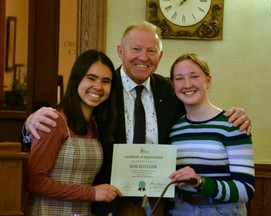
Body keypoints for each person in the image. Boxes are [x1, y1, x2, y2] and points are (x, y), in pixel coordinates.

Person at [21, 21, 252, 216]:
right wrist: (29, 124)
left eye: (151, 51)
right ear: (121, 51)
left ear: (160, 56)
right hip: (106, 203)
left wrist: (236, 115)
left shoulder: (170, 91)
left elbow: (199, 112)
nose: (144, 57)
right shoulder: (103, 88)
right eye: (136, 49)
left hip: (159, 202)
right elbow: (66, 122)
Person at [23, 50, 121, 216]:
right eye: (91, 78)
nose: (98, 86)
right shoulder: (54, 121)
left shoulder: (96, 124)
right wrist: (92, 193)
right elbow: (34, 182)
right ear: (77, 79)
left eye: (106, 81)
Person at [168, 53, 255, 216]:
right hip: (180, 209)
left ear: (208, 80)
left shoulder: (234, 124)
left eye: (194, 76)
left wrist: (200, 182)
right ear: (173, 85)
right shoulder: (174, 129)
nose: (187, 84)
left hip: (222, 211)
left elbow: (246, 190)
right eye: (179, 78)